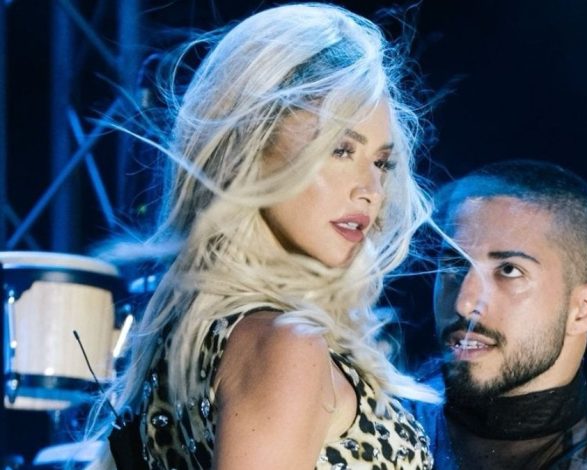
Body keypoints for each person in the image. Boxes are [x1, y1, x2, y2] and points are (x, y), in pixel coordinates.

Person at [83, 4, 440, 469]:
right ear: (252, 145)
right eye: (340, 149)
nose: (370, 190)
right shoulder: (284, 345)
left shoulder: (201, 339)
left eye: (381, 162)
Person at [411, 159, 587, 469]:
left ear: (586, 309)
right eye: (455, 263)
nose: (464, 303)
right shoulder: (393, 383)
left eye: (509, 270)